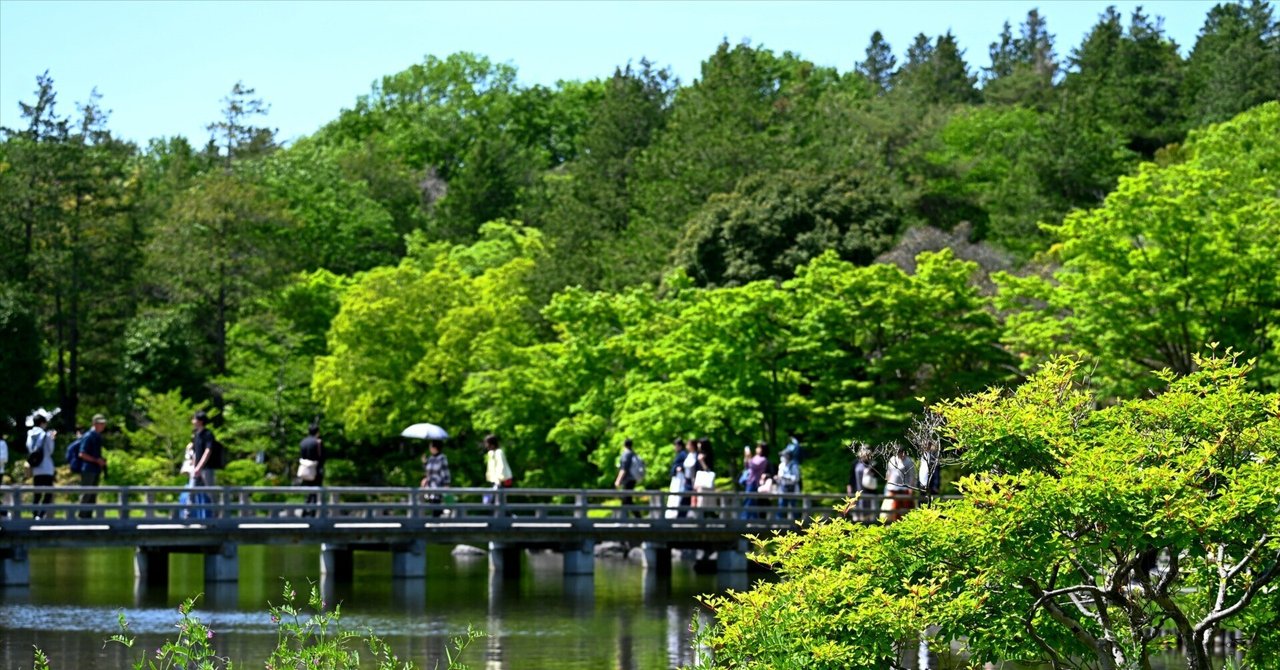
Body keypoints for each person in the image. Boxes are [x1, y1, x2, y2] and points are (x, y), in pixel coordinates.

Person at [76, 415, 109, 519]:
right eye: (101, 423)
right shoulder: (89, 436)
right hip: (88, 469)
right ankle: (81, 517)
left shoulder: (97, 436)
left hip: (95, 469)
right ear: (94, 424)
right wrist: (96, 460)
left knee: (93, 495)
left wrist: (101, 460)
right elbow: (82, 454)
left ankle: (88, 518)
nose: (103, 425)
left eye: (104, 423)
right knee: (86, 494)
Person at [25, 412, 55, 519]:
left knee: (37, 493)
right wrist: (52, 439)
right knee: (49, 493)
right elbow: (50, 450)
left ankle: (34, 515)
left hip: (36, 467)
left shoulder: (30, 434)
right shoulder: (45, 435)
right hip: (46, 467)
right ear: (42, 423)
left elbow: (29, 449)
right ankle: (41, 514)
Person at [882, 445, 918, 523]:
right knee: (892, 507)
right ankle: (892, 523)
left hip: (905, 488)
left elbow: (912, 476)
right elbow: (889, 473)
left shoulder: (909, 461)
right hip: (893, 488)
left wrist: (911, 488)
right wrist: (887, 484)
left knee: (906, 507)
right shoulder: (892, 459)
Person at [613, 438, 643, 519]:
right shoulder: (633, 454)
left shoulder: (626, 454)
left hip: (627, 479)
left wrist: (618, 480)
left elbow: (624, 469)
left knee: (627, 499)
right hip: (633, 479)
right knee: (626, 499)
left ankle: (638, 517)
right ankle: (623, 518)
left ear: (624, 445)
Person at [846, 447, 878, 522]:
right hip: (856, 492)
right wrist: (849, 491)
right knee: (857, 515)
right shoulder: (855, 463)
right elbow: (851, 478)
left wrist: (871, 472)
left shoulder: (872, 463)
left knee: (869, 515)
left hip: (869, 493)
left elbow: (876, 477)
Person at [298, 423, 324, 515]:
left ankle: (304, 512)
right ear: (317, 432)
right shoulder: (318, 442)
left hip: (305, 470)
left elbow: (301, 456)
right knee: (315, 493)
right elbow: (322, 457)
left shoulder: (303, 442)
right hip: (315, 470)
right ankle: (313, 513)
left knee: (307, 492)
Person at [421, 441, 451, 516]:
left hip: (438, 485)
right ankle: (440, 515)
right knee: (432, 505)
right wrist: (424, 463)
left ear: (435, 448)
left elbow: (445, 471)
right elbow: (428, 471)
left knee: (436, 506)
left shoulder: (442, 458)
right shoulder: (431, 458)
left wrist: (447, 483)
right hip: (430, 486)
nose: (429, 449)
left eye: (430, 447)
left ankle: (439, 517)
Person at [742, 441, 770, 519]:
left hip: (754, 482)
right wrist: (746, 457)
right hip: (749, 481)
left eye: (759, 447)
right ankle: (753, 519)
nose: (757, 449)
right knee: (750, 502)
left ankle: (743, 519)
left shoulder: (763, 459)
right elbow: (747, 466)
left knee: (749, 501)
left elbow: (753, 466)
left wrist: (749, 457)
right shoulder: (755, 457)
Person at [191, 410, 218, 487]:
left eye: (194, 419)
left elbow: (208, 451)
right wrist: (194, 466)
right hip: (196, 468)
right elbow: (195, 452)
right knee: (192, 490)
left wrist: (199, 467)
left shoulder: (207, 434)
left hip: (207, 468)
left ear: (200, 421)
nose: (192, 421)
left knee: (210, 490)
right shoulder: (196, 434)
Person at [483, 434, 512, 506]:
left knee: (499, 501)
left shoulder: (499, 452)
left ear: (492, 444)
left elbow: (501, 466)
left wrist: (499, 480)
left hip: (502, 480)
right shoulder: (491, 453)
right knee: (496, 501)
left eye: (487, 444)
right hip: (495, 481)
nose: (486, 446)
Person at [776, 450, 800, 518]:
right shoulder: (781, 465)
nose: (781, 457)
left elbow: (796, 478)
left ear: (788, 457)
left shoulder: (794, 466)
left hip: (792, 489)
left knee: (793, 507)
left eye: (783, 456)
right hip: (783, 488)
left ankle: (797, 523)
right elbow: (780, 476)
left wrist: (785, 476)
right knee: (781, 507)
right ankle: (778, 523)